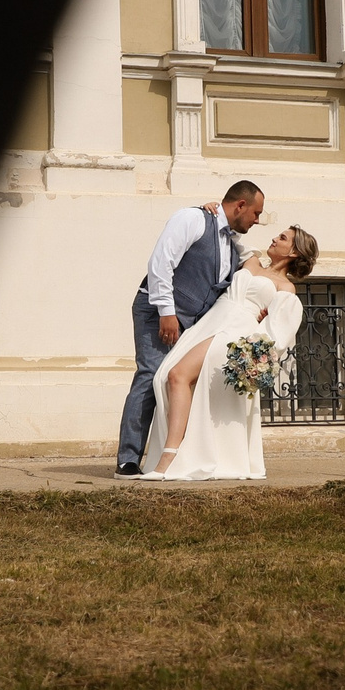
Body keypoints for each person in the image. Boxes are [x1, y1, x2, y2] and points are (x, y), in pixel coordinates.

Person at [139, 226, 319, 480]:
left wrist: (254, 344)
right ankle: (178, 455)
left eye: (282, 238)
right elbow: (228, 233)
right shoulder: (253, 259)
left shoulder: (286, 289)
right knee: (168, 376)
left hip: (235, 332)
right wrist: (209, 211)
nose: (274, 238)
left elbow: (277, 331)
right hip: (211, 321)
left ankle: (168, 458)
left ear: (294, 251)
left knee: (178, 375)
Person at [117, 181, 265, 477]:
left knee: (179, 382)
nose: (258, 220)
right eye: (256, 213)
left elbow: (249, 263)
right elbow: (161, 262)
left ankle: (175, 456)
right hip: (158, 311)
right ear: (240, 206)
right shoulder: (192, 219)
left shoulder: (232, 241)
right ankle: (127, 459)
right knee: (150, 376)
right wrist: (166, 312)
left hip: (194, 324)